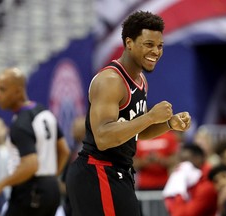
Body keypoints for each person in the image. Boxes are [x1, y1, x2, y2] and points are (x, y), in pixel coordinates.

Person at [66, 10, 191, 216]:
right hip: (99, 171)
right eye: (148, 44)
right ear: (129, 43)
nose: (156, 51)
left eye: (159, 46)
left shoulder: (141, 80)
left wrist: (168, 125)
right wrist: (150, 117)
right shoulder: (110, 81)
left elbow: (133, 132)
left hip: (118, 173)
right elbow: (104, 137)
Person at [0, 67, 70, 216]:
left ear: (18, 92)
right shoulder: (44, 111)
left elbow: (31, 165)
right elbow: (64, 150)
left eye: (2, 89)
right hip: (51, 190)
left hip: (30, 192)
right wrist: (50, 178)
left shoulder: (21, 123)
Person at [163, 143, 217, 216]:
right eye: (181, 160)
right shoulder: (189, 181)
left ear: (199, 158)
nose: (183, 164)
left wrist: (178, 192)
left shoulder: (207, 185)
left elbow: (182, 214)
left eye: (186, 160)